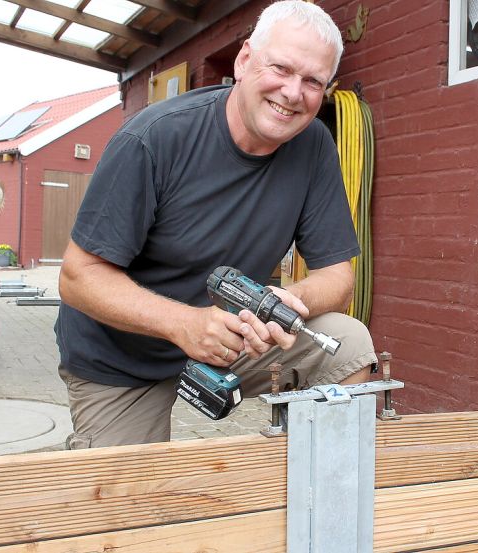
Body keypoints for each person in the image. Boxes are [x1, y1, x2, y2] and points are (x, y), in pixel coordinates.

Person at [54, 0, 377, 449]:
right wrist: (183, 324)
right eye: (280, 68)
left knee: (348, 345)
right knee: (127, 503)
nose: (292, 92)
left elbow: (339, 277)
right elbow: (76, 279)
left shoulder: (313, 145)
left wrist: (285, 301)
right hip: (121, 356)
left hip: (235, 338)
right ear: (244, 61)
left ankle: (322, 491)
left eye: (312, 81)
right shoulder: (153, 139)